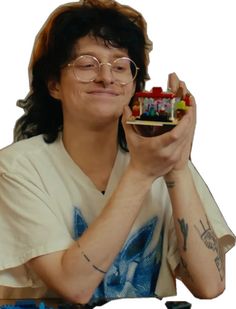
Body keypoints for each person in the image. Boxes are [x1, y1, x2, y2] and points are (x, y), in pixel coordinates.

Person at [0, 0, 235, 307]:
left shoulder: (161, 159)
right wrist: (141, 173)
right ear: (54, 84)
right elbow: (74, 288)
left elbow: (210, 285)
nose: (106, 78)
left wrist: (177, 165)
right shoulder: (18, 167)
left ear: (135, 86)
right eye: (87, 64)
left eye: (121, 66)